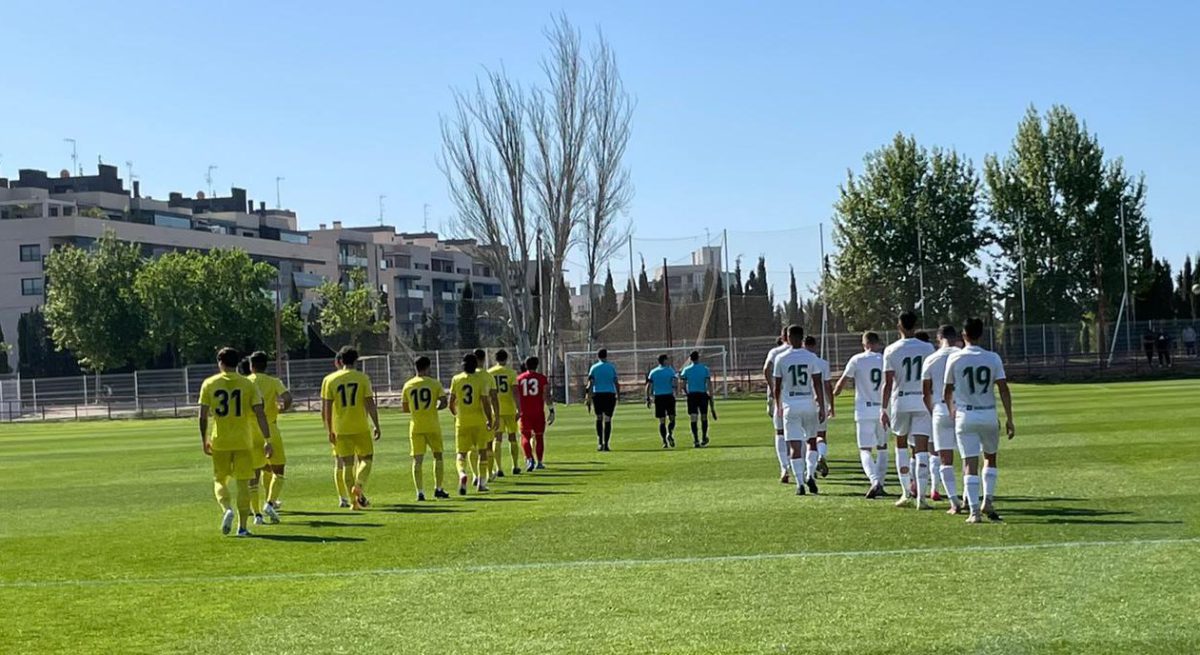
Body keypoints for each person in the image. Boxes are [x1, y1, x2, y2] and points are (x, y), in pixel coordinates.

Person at [945, 318, 1015, 524]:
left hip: (966, 414)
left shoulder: (955, 358)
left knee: (969, 462)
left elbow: (947, 390)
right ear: (981, 334)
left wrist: (951, 410)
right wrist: (1010, 418)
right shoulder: (992, 357)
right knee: (990, 458)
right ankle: (988, 501)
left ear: (963, 335)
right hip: (988, 413)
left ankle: (974, 511)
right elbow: (1003, 388)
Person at [198, 347, 273, 537]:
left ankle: (226, 509)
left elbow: (203, 416)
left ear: (220, 362)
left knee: (220, 480)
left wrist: (204, 439)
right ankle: (243, 527)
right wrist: (267, 439)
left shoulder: (209, 383)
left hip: (220, 439)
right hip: (243, 440)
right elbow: (260, 413)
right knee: (243, 483)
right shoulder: (248, 384)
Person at [881, 310, 935, 509]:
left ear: (899, 326)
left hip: (900, 401)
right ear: (916, 325)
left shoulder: (891, 350)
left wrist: (883, 408)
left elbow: (888, 383)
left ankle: (905, 493)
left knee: (901, 445)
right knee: (921, 449)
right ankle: (921, 496)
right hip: (922, 400)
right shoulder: (928, 347)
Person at [321, 347, 382, 511]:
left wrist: (329, 430)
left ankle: (354, 502)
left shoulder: (329, 380)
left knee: (347, 464)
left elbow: (326, 408)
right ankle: (359, 484)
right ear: (356, 360)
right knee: (366, 459)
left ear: (341, 361)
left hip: (340, 428)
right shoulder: (362, 378)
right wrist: (376, 425)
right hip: (360, 426)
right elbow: (370, 403)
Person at [832, 331, 889, 498]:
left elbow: (842, 382)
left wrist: (834, 393)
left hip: (864, 409)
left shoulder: (857, 359)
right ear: (877, 343)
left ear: (864, 344)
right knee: (883, 448)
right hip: (883, 409)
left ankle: (874, 481)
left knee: (865, 449)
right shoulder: (885, 359)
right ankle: (881, 483)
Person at [772, 324, 826, 495]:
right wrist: (822, 406)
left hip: (791, 406)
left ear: (787, 338)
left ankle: (800, 483)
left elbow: (777, 386)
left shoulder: (781, 358)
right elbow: (817, 382)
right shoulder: (811, 357)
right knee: (811, 442)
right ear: (802, 338)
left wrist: (778, 405)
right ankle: (810, 474)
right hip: (808, 404)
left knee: (795, 446)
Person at [922, 326, 965, 514]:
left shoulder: (931, 358)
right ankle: (969, 498)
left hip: (940, 407)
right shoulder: (963, 355)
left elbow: (925, 393)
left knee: (944, 458)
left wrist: (934, 411)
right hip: (962, 407)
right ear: (955, 338)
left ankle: (954, 501)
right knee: (967, 456)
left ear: (939, 338)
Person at [246, 351, 292, 522]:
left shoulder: (245, 382)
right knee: (278, 469)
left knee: (254, 473)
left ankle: (256, 512)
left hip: (249, 430)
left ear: (251, 366)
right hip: (270, 428)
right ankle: (270, 503)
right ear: (266, 366)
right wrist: (282, 408)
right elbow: (287, 397)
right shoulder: (273, 382)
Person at [401, 356, 450, 501]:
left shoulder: (408, 385)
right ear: (428, 367)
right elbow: (443, 402)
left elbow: (404, 408)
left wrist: (418, 410)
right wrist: (434, 407)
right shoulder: (434, 384)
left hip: (416, 426)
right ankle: (438, 488)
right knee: (438, 455)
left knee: (417, 460)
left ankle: (420, 492)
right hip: (432, 425)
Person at [450, 353, 495, 494]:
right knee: (482, 451)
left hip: (462, 421)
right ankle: (481, 483)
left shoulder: (456, 379)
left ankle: (462, 474)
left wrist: (456, 414)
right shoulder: (480, 380)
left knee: (461, 453)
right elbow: (485, 402)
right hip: (478, 420)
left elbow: (451, 402)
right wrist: (490, 419)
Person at [762, 327, 793, 483]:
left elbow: (766, 368)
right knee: (799, 433)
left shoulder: (775, 352)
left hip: (780, 396)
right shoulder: (803, 353)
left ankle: (784, 467)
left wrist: (772, 388)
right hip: (799, 397)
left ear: (782, 336)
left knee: (780, 432)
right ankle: (803, 467)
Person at [487, 349, 522, 476]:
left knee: (498, 438)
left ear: (495, 359)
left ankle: (499, 468)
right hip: (509, 409)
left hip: (495, 410)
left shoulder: (489, 373)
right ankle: (515, 466)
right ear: (506, 359)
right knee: (512, 437)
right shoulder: (511, 373)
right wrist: (519, 408)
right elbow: (515, 392)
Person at [517, 356, 554, 471]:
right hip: (538, 412)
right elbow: (547, 395)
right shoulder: (542, 378)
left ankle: (529, 459)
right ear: (537, 365)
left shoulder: (519, 379)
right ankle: (540, 462)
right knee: (539, 436)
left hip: (524, 412)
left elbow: (516, 395)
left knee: (525, 436)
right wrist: (551, 410)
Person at [803, 336, 833, 477]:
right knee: (821, 435)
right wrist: (831, 405)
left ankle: (810, 466)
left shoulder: (801, 361)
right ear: (815, 346)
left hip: (804, 402)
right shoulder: (823, 363)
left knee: (808, 438)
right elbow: (827, 386)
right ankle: (821, 456)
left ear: (804, 345)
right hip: (820, 403)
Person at [679, 350, 717, 447]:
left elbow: (682, 386)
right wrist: (711, 396)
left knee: (693, 418)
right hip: (702, 394)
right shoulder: (704, 369)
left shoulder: (686, 370)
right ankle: (704, 437)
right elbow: (709, 384)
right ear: (698, 358)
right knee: (704, 416)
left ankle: (696, 440)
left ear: (690, 359)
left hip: (692, 395)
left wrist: (687, 394)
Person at [585, 349, 619, 451]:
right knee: (608, 419)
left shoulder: (594, 368)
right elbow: (616, 382)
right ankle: (606, 444)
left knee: (599, 418)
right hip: (609, 394)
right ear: (606, 356)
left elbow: (590, 384)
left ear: (598, 356)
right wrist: (618, 394)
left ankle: (600, 443)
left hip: (598, 394)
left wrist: (588, 397)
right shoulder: (611, 367)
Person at [645, 354, 680, 448]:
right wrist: (676, 391)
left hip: (659, 397)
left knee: (662, 421)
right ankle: (669, 433)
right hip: (669, 396)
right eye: (667, 359)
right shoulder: (670, 370)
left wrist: (648, 398)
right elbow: (675, 382)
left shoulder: (653, 372)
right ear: (664, 360)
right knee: (672, 419)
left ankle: (664, 441)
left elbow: (648, 386)